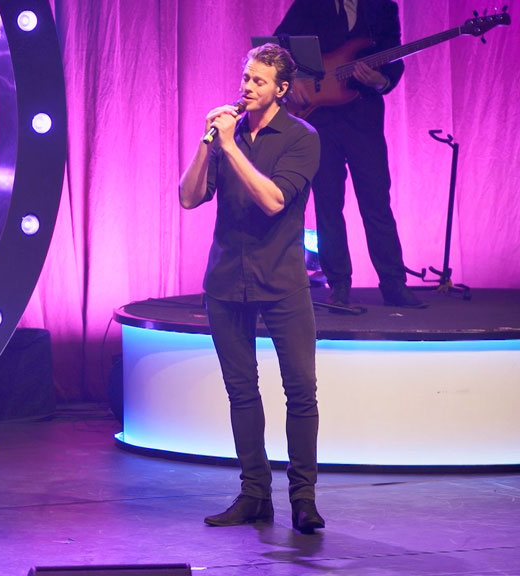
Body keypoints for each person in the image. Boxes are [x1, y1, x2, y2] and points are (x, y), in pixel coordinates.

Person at [178, 43, 325, 534]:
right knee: (241, 391)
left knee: (300, 390)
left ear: (281, 89)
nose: (247, 87)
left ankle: (303, 498)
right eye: (246, 77)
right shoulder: (228, 135)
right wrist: (207, 143)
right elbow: (188, 198)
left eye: (259, 81)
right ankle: (254, 494)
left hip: (282, 281)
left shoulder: (302, 138)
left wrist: (232, 148)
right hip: (226, 281)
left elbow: (273, 200)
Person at [275, 0, 424, 309]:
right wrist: (292, 81)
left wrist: (381, 81)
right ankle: (339, 284)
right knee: (328, 204)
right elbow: (277, 46)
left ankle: (394, 284)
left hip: (364, 117)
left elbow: (393, 57)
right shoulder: (309, 3)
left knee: (376, 203)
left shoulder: (383, 7)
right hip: (319, 117)